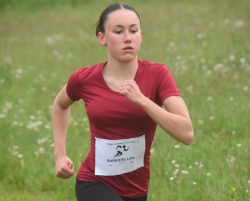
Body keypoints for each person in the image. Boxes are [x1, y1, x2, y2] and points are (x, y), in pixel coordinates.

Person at [52, 2, 194, 201]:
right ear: (102, 38)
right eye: (118, 31)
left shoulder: (158, 75)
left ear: (141, 36)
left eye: (133, 30)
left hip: (136, 189)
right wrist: (60, 155)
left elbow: (186, 133)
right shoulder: (84, 79)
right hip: (94, 182)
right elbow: (60, 105)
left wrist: (142, 100)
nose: (128, 38)